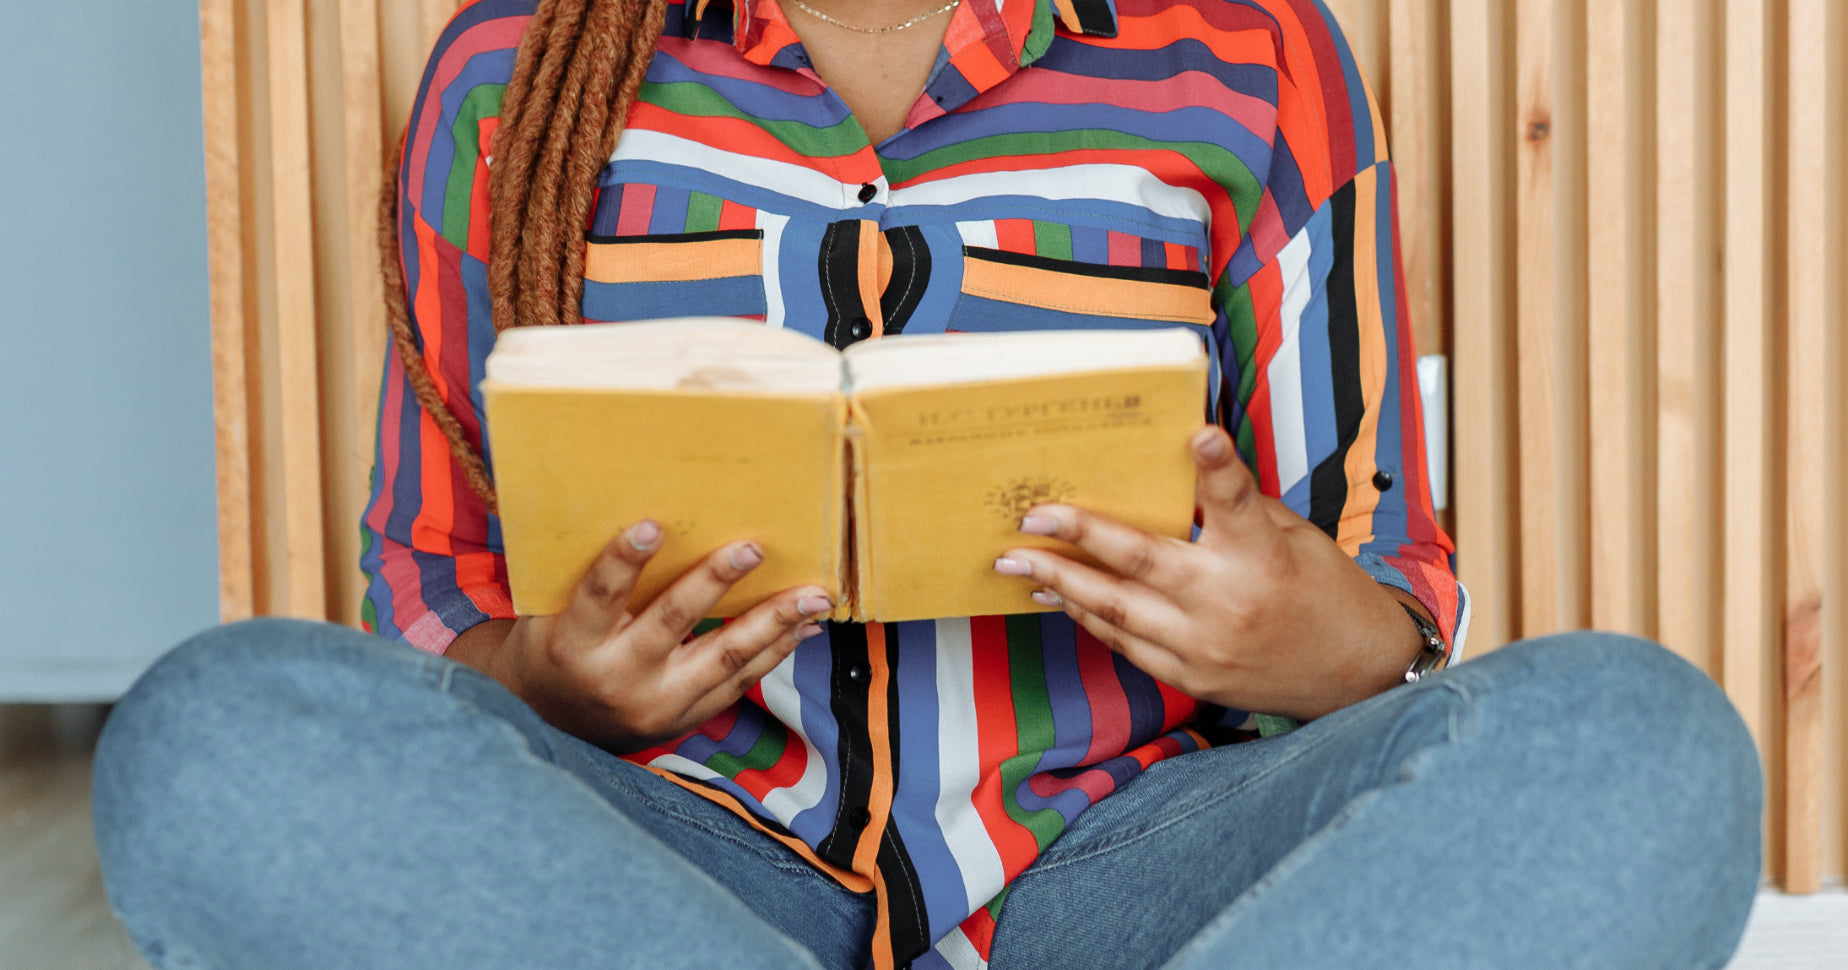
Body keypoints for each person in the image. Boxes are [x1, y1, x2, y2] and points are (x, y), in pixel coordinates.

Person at [93, 1, 1763, 968]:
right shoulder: (515, 77)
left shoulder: (1243, 54)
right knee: (213, 735)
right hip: (670, 878)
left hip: (1138, 864)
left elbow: (1384, 606)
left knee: (1642, 740)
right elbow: (437, 614)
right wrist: (557, 676)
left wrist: (1292, 627)